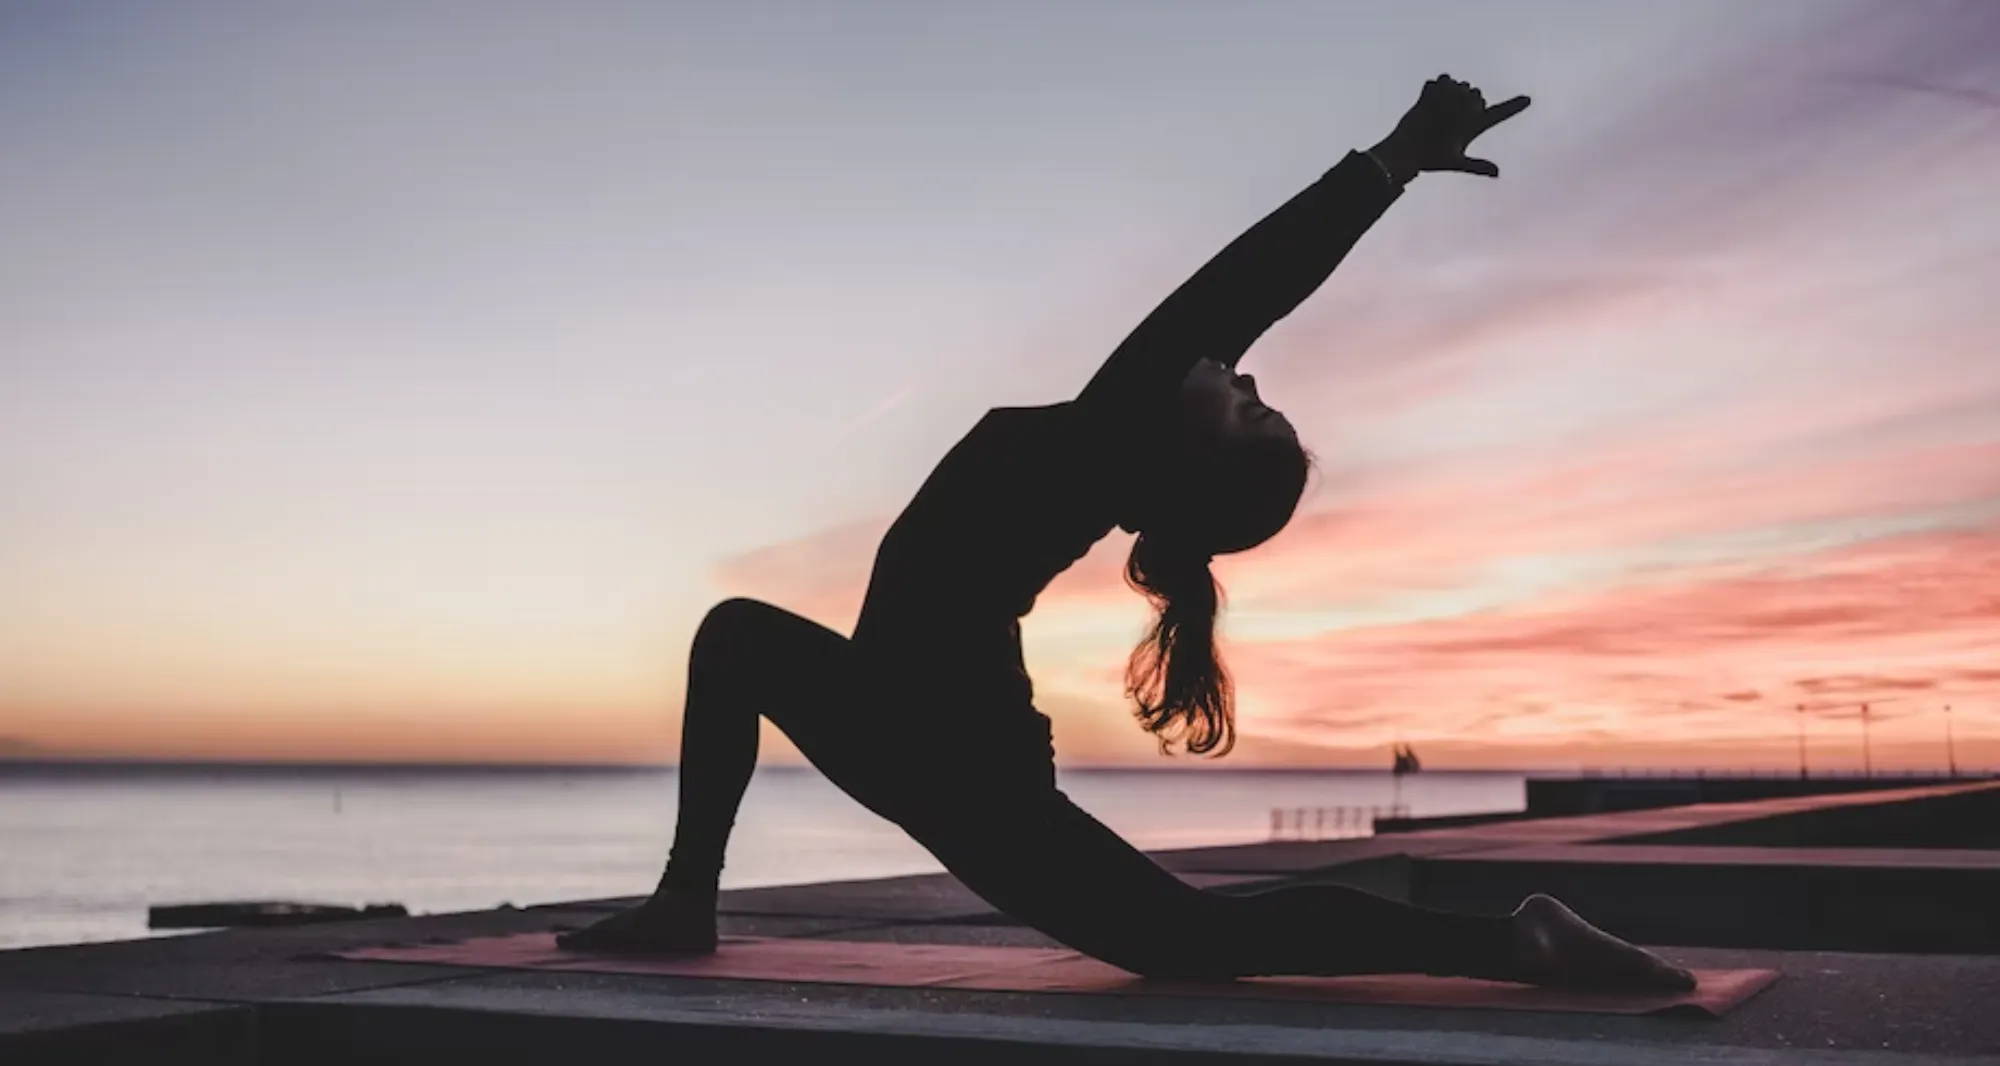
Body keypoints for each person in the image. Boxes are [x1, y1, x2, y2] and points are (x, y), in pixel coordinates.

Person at [559, 75, 1696, 991]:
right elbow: (1233, 309)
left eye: (1247, 404)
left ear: (1187, 464)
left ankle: (1511, 942)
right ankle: (685, 900)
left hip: (950, 756)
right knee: (736, 636)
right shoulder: (1099, 454)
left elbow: (1242, 285)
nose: (1240, 369)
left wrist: (1390, 162)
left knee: (1186, 946)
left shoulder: (1108, 440)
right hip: (904, 719)